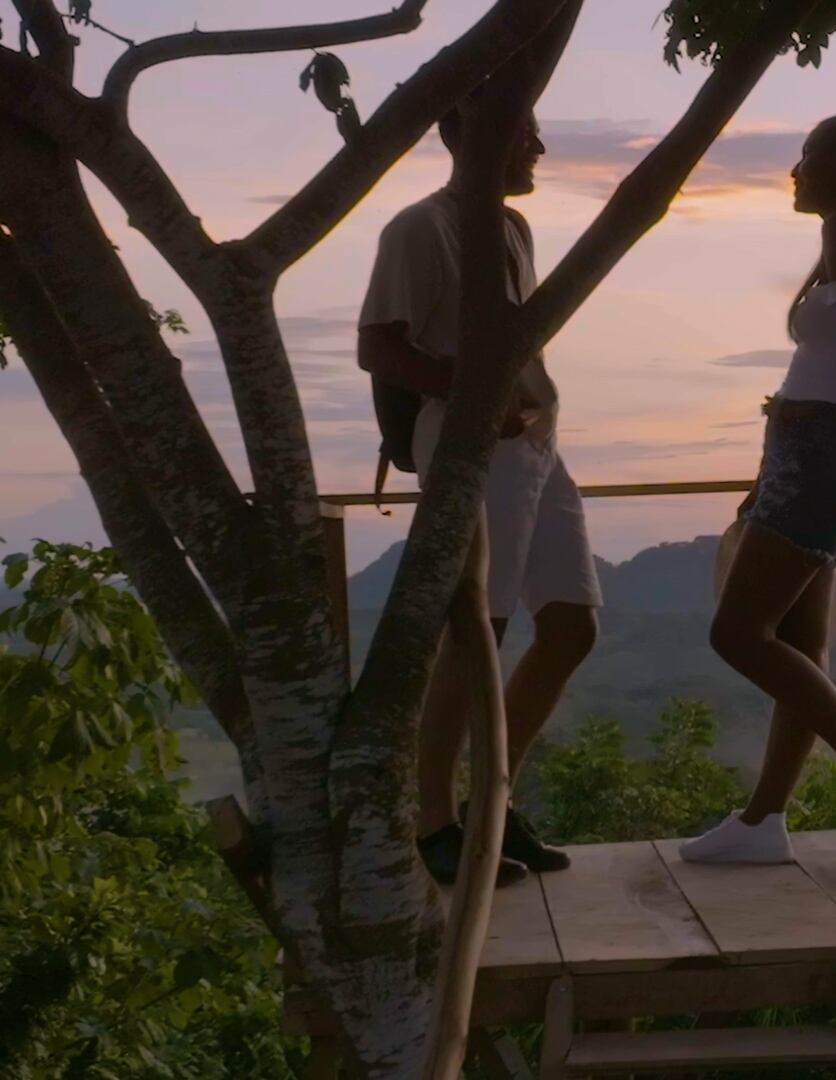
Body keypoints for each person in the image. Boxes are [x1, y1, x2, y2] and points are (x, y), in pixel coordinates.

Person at [357, 93, 600, 886]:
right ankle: (434, 820)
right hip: (471, 447)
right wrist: (473, 396)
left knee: (570, 626)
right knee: (476, 636)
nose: (539, 147)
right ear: (473, 134)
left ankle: (493, 802)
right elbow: (378, 348)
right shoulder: (419, 229)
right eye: (526, 132)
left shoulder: (513, 228)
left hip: (537, 445)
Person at [686, 115, 836, 866]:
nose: (794, 171)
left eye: (808, 157)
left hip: (825, 454)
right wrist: (776, 464)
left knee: (736, 634)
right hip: (810, 452)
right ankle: (764, 821)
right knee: (798, 643)